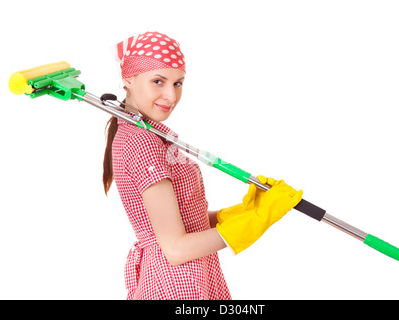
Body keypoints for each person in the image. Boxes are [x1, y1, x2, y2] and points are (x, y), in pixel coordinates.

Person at [102, 31, 303, 300]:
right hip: (175, 285)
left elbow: (179, 219)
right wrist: (257, 220)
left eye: (178, 83)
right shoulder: (142, 144)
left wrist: (239, 213)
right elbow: (175, 249)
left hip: (192, 274)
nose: (170, 96)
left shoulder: (148, 134)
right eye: (158, 81)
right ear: (128, 80)